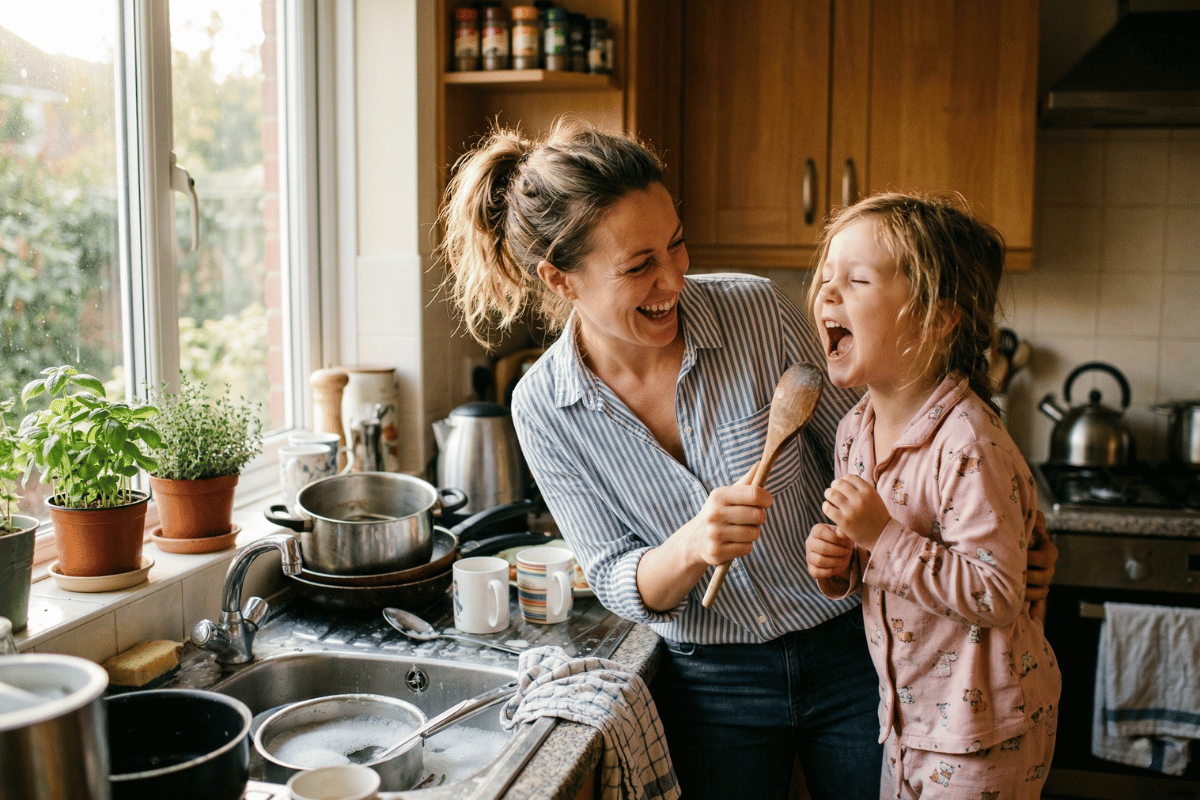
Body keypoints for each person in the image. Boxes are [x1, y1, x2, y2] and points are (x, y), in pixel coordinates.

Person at [437, 117, 1058, 800]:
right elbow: (611, 573)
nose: (673, 277)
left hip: (854, 650)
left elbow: (884, 454)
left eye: (676, 244)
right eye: (639, 266)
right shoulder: (542, 406)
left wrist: (1008, 534)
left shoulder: (757, 313)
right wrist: (690, 547)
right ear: (561, 280)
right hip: (713, 686)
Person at [804, 192, 1062, 799]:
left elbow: (996, 593)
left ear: (936, 319)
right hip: (906, 721)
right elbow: (890, 572)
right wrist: (843, 564)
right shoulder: (853, 430)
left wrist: (881, 536)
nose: (828, 293)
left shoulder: (969, 443)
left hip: (985, 733)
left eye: (856, 280)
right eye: (825, 277)